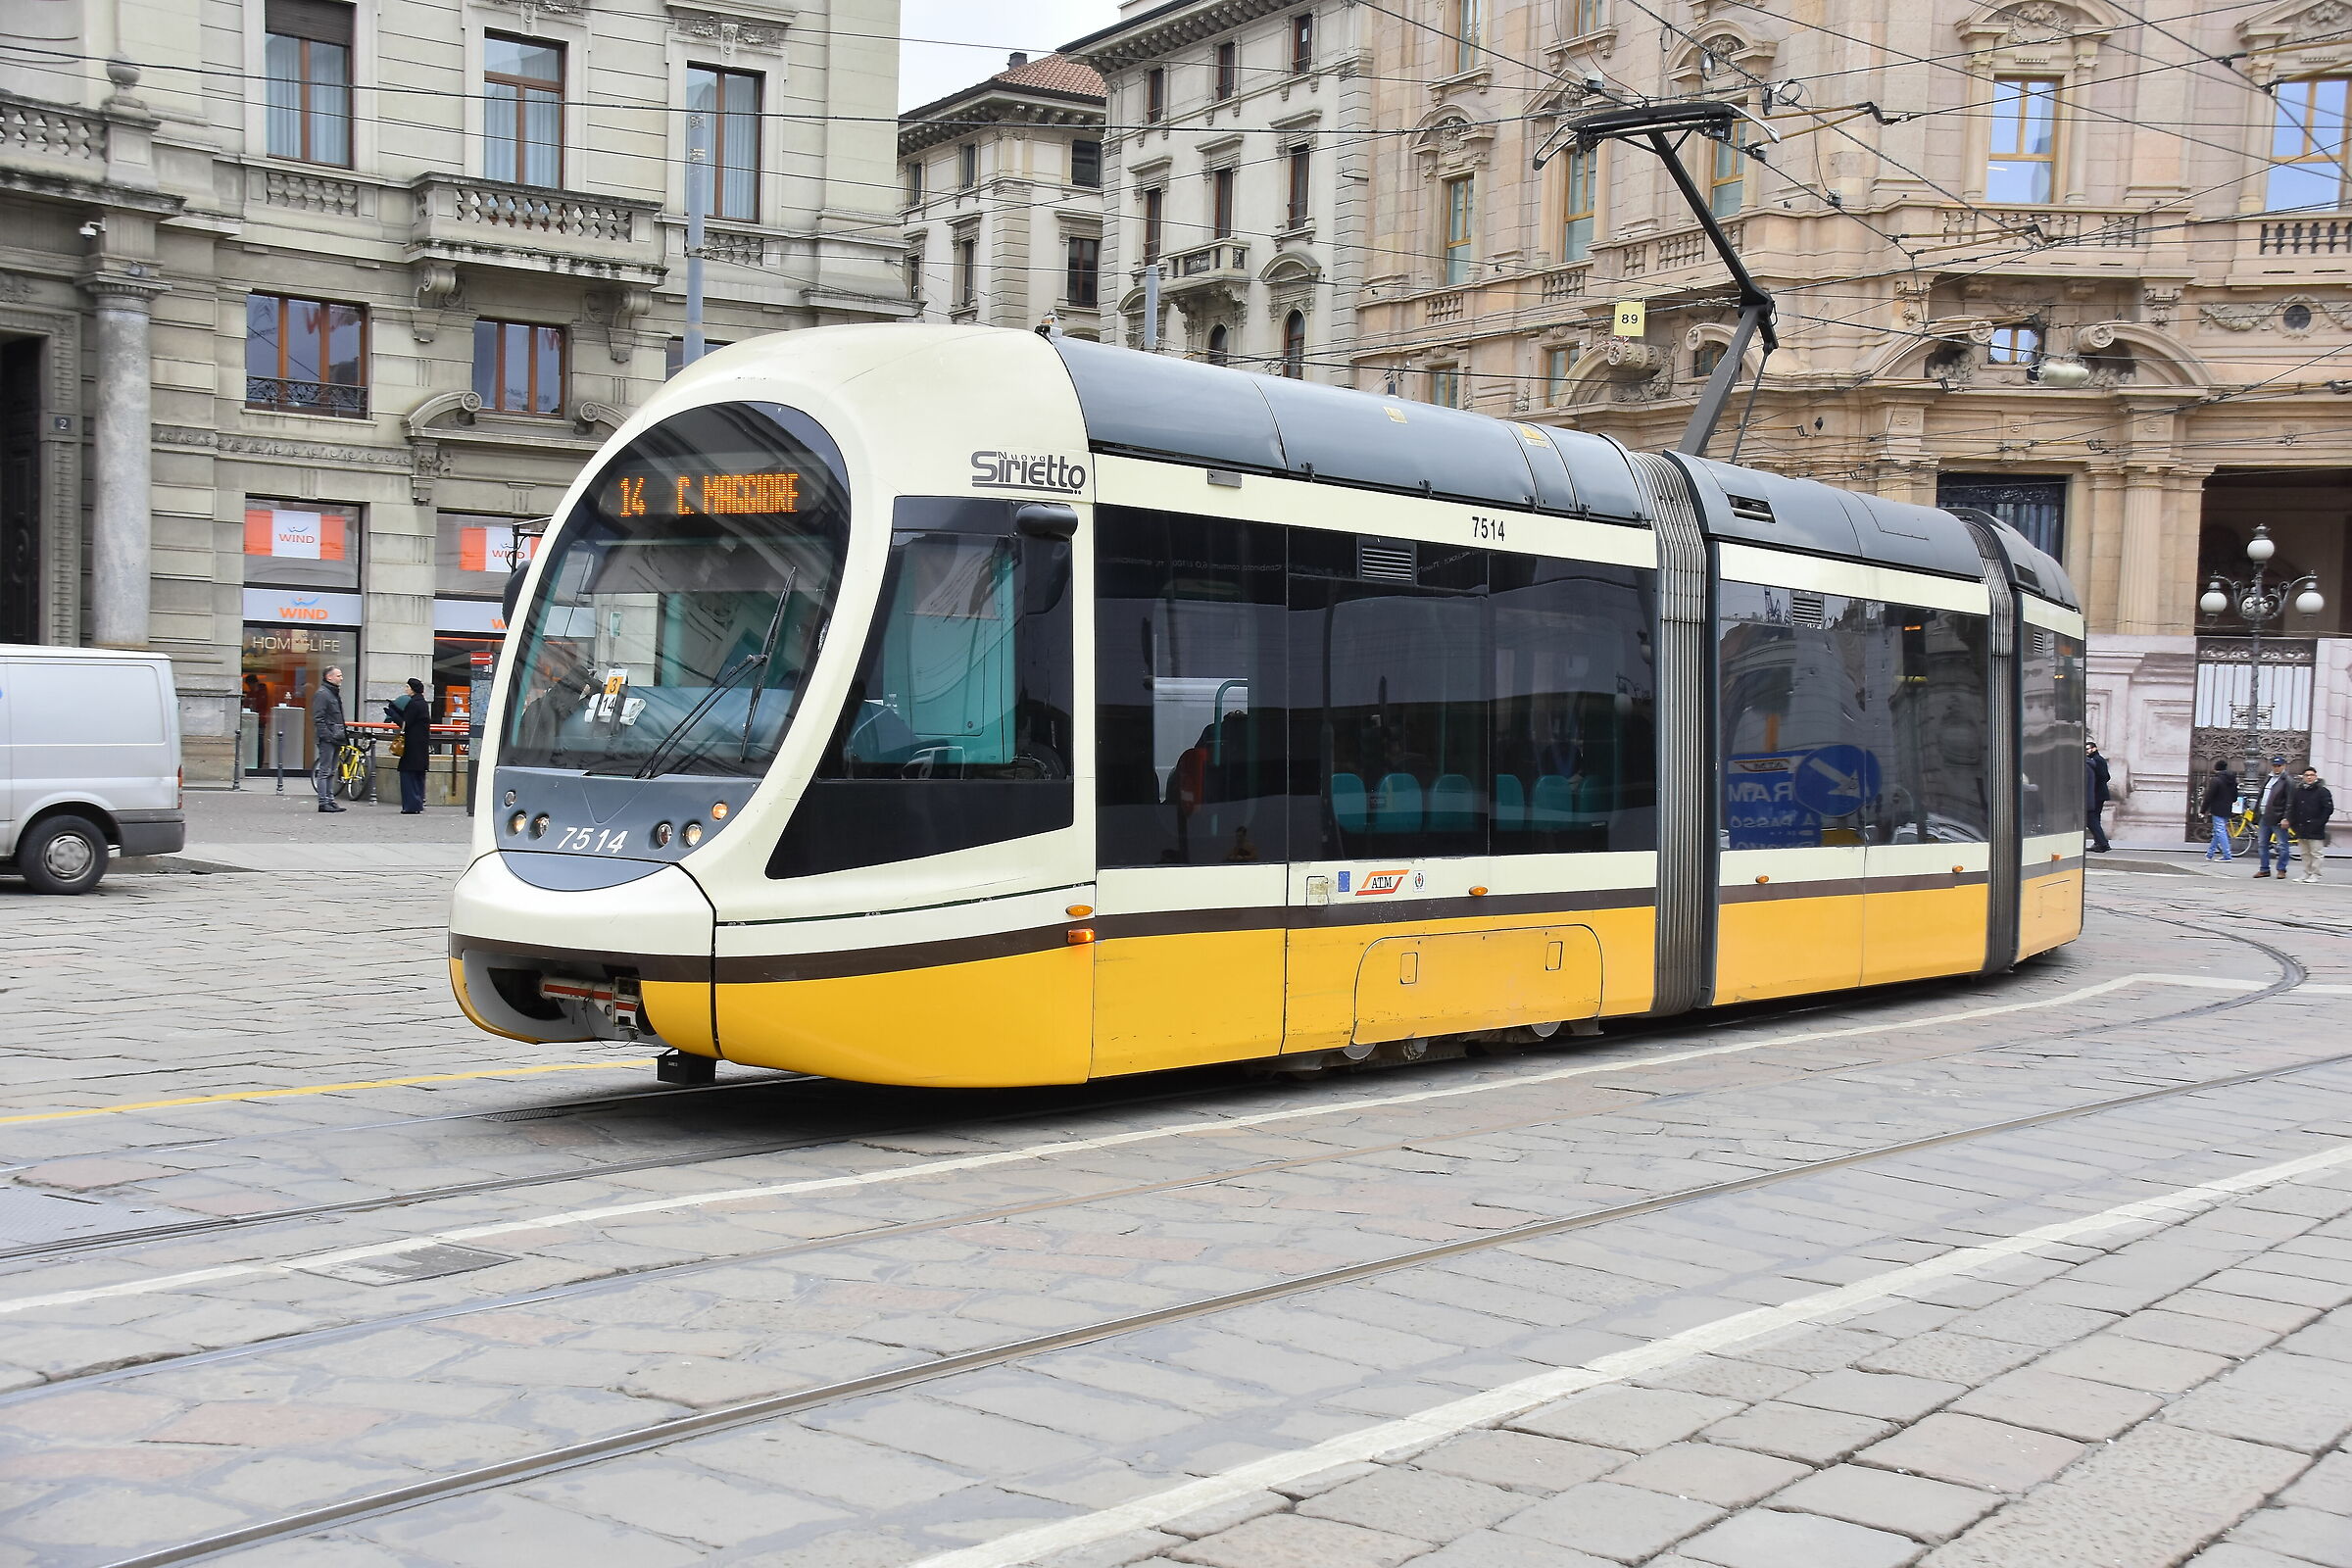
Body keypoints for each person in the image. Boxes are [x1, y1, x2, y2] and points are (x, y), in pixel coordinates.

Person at [385, 676, 434, 814]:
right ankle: (417, 804)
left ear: (412, 689)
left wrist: (393, 714)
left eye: (407, 687)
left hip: (412, 745)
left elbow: (406, 723)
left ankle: (411, 806)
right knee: (418, 776)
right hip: (420, 745)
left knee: (408, 775)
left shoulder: (414, 704)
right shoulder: (421, 703)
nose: (405, 689)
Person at [310, 665, 348, 813]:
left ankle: (330, 800)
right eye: (339, 675)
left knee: (331, 770)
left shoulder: (332, 693)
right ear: (329, 677)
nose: (341, 678)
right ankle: (324, 802)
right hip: (329, 738)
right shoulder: (323, 694)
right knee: (325, 770)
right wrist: (327, 736)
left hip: (336, 736)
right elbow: (318, 718)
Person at [2287, 765, 2333, 884]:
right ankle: (2306, 872)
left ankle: (2315, 874)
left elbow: (2328, 809)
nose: (2309, 778)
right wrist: (2293, 823)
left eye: (2311, 775)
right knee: (2304, 852)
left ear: (2316, 777)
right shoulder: (2299, 791)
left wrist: (2319, 822)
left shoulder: (2322, 791)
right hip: (2301, 826)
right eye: (2306, 775)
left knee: (2316, 852)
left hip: (2315, 827)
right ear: (2303, 777)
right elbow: (2293, 807)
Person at [2254, 755, 2297, 879]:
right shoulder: (2269, 778)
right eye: (2274, 765)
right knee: (2262, 844)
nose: (2276, 768)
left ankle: (2281, 869)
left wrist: (2286, 817)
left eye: (2279, 766)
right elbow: (2262, 796)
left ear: (2284, 766)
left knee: (2282, 844)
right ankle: (2264, 869)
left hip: (2278, 817)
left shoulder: (2287, 780)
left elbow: (2290, 801)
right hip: (2264, 816)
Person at [2201, 759, 2237, 861]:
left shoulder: (2216, 780)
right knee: (2218, 831)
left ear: (2216, 769)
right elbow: (2235, 797)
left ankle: (2227, 855)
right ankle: (2210, 853)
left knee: (2220, 831)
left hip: (2217, 809)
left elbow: (2209, 796)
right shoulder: (2233, 780)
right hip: (2227, 809)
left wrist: (2203, 810)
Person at [2084, 739, 2112, 853]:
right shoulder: (2096, 760)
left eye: (2088, 749)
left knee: (2092, 819)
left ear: (2094, 748)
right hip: (2098, 794)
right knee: (2095, 819)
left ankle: (2102, 843)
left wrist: (2096, 784)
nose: (2086, 751)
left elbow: (2104, 776)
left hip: (2096, 794)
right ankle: (2099, 842)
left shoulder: (2097, 760)